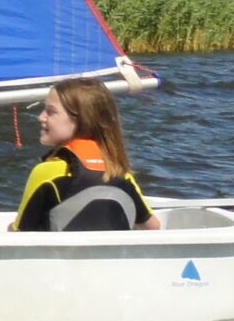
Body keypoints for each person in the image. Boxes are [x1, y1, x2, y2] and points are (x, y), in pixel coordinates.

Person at [11, 77, 162, 232]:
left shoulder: (47, 172)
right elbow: (152, 226)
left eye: (51, 112)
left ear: (81, 120)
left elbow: (19, 234)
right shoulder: (119, 172)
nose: (41, 117)